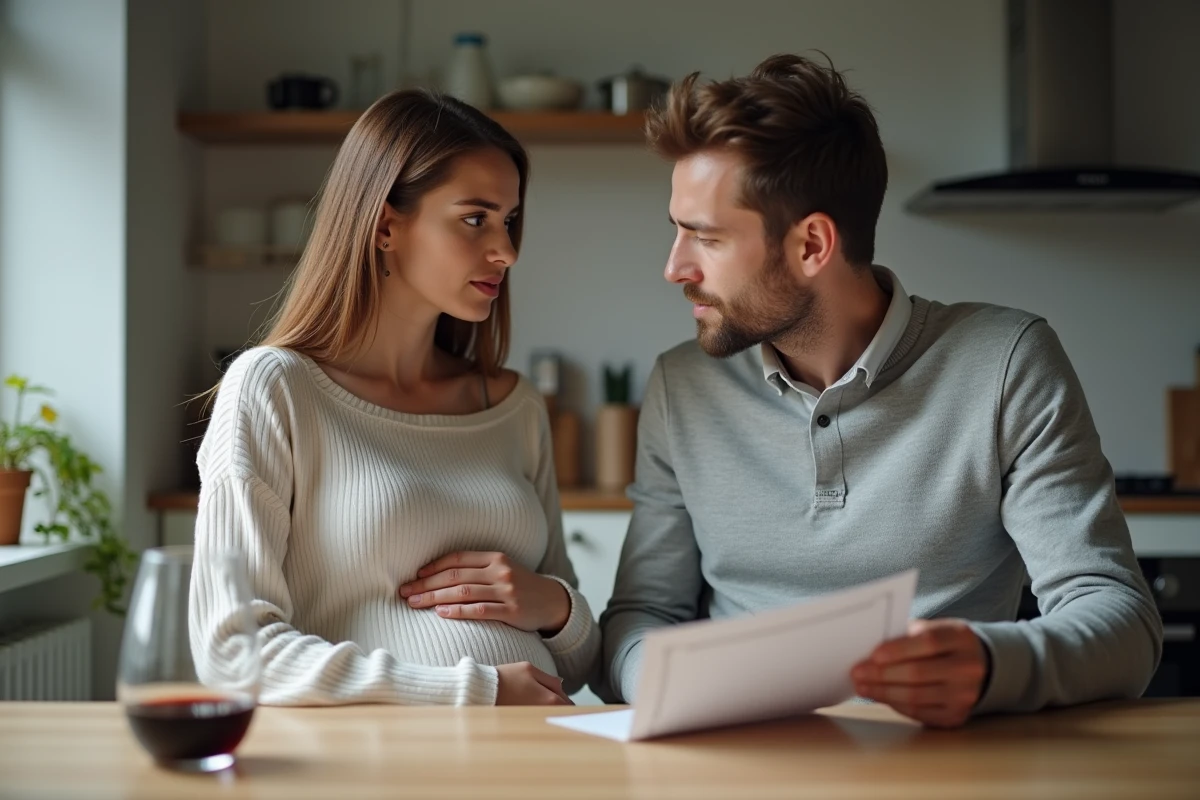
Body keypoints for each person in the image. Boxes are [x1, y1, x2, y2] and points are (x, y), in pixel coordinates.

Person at [597, 54, 1162, 727]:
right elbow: (640, 616)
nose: (675, 267)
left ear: (812, 245)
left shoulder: (1007, 362)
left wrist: (991, 666)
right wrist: (668, 682)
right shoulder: (682, 385)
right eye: (677, 230)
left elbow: (1123, 622)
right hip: (738, 754)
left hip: (941, 759)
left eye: (705, 238)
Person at [190, 90, 599, 707]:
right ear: (386, 227)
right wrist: (474, 691)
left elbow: (580, 665)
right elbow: (232, 653)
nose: (507, 251)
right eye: (475, 219)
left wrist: (553, 605)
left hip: (537, 745)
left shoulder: (516, 408)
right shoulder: (274, 389)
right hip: (380, 752)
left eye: (510, 221)